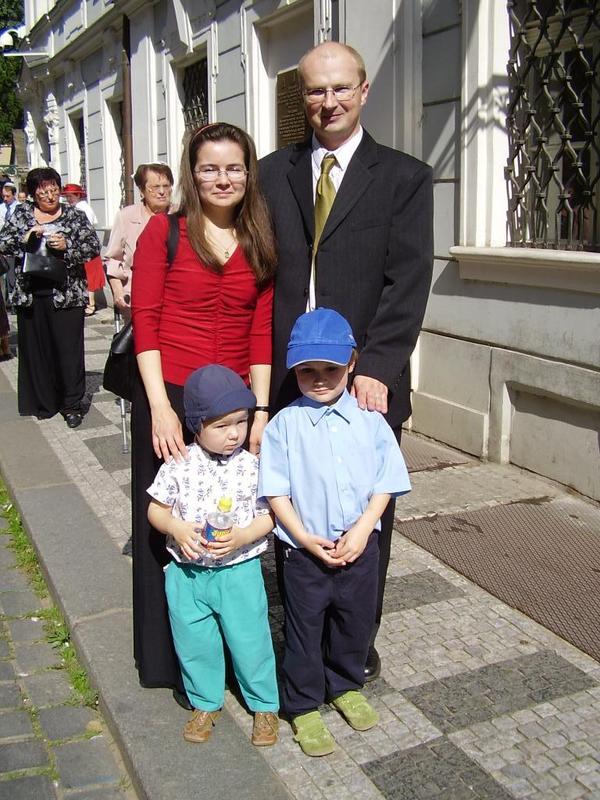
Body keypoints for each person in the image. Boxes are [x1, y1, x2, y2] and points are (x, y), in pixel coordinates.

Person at [259, 41, 433, 681]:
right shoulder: (272, 173)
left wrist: (377, 368)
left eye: (340, 88)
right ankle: (301, 639)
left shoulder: (404, 178)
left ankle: (354, 645)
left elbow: (407, 281)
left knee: (365, 519)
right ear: (301, 96)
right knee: (291, 511)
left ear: (363, 91)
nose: (327, 102)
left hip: (363, 383)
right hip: (290, 378)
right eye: (315, 90)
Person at [131, 122, 277, 707]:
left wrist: (260, 410)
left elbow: (261, 333)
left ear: (248, 173)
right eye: (209, 168)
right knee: (169, 519)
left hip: (235, 404)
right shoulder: (163, 233)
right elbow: (145, 320)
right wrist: (160, 408)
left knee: (233, 510)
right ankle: (172, 660)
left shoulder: (259, 237)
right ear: (192, 175)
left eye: (233, 167)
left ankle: (238, 651)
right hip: (171, 394)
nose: (222, 178)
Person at [258, 308, 410, 756]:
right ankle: (303, 703)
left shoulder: (370, 419)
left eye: (331, 369)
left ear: (352, 363)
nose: (320, 379)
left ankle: (344, 684)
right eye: (308, 371)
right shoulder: (284, 425)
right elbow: (276, 491)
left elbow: (386, 481)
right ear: (294, 370)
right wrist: (302, 537)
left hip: (360, 546)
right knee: (304, 629)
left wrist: (363, 530)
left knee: (353, 622)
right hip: (305, 553)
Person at [147, 364, 279, 746]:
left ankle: (265, 706)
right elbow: (155, 509)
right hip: (187, 574)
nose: (234, 433)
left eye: (241, 421)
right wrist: (175, 527)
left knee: (250, 640)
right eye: (221, 426)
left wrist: (244, 535)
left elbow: (270, 515)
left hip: (239, 571)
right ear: (196, 425)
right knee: (194, 641)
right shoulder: (179, 464)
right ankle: (205, 701)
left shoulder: (253, 466)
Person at [0, 167, 100, 427]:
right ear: (34, 193)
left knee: (68, 352)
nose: (50, 196)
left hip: (67, 294)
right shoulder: (22, 214)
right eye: (43, 192)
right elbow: (4, 242)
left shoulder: (74, 215)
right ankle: (44, 402)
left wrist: (68, 247)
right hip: (31, 294)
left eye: (54, 190)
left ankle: (72, 405)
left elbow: (92, 246)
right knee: (38, 351)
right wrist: (26, 239)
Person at [104, 163, 174, 323]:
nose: (162, 192)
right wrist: (118, 291)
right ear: (142, 191)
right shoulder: (126, 217)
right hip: (137, 299)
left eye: (166, 186)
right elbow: (113, 259)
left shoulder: (181, 215)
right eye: (155, 187)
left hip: (174, 300)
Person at [62, 183, 99, 317]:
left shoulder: (83, 209)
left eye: (70, 196)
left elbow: (86, 230)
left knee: (89, 276)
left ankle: (91, 304)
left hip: (85, 248)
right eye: (67, 197)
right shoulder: (74, 208)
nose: (68, 199)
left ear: (78, 195)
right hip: (76, 248)